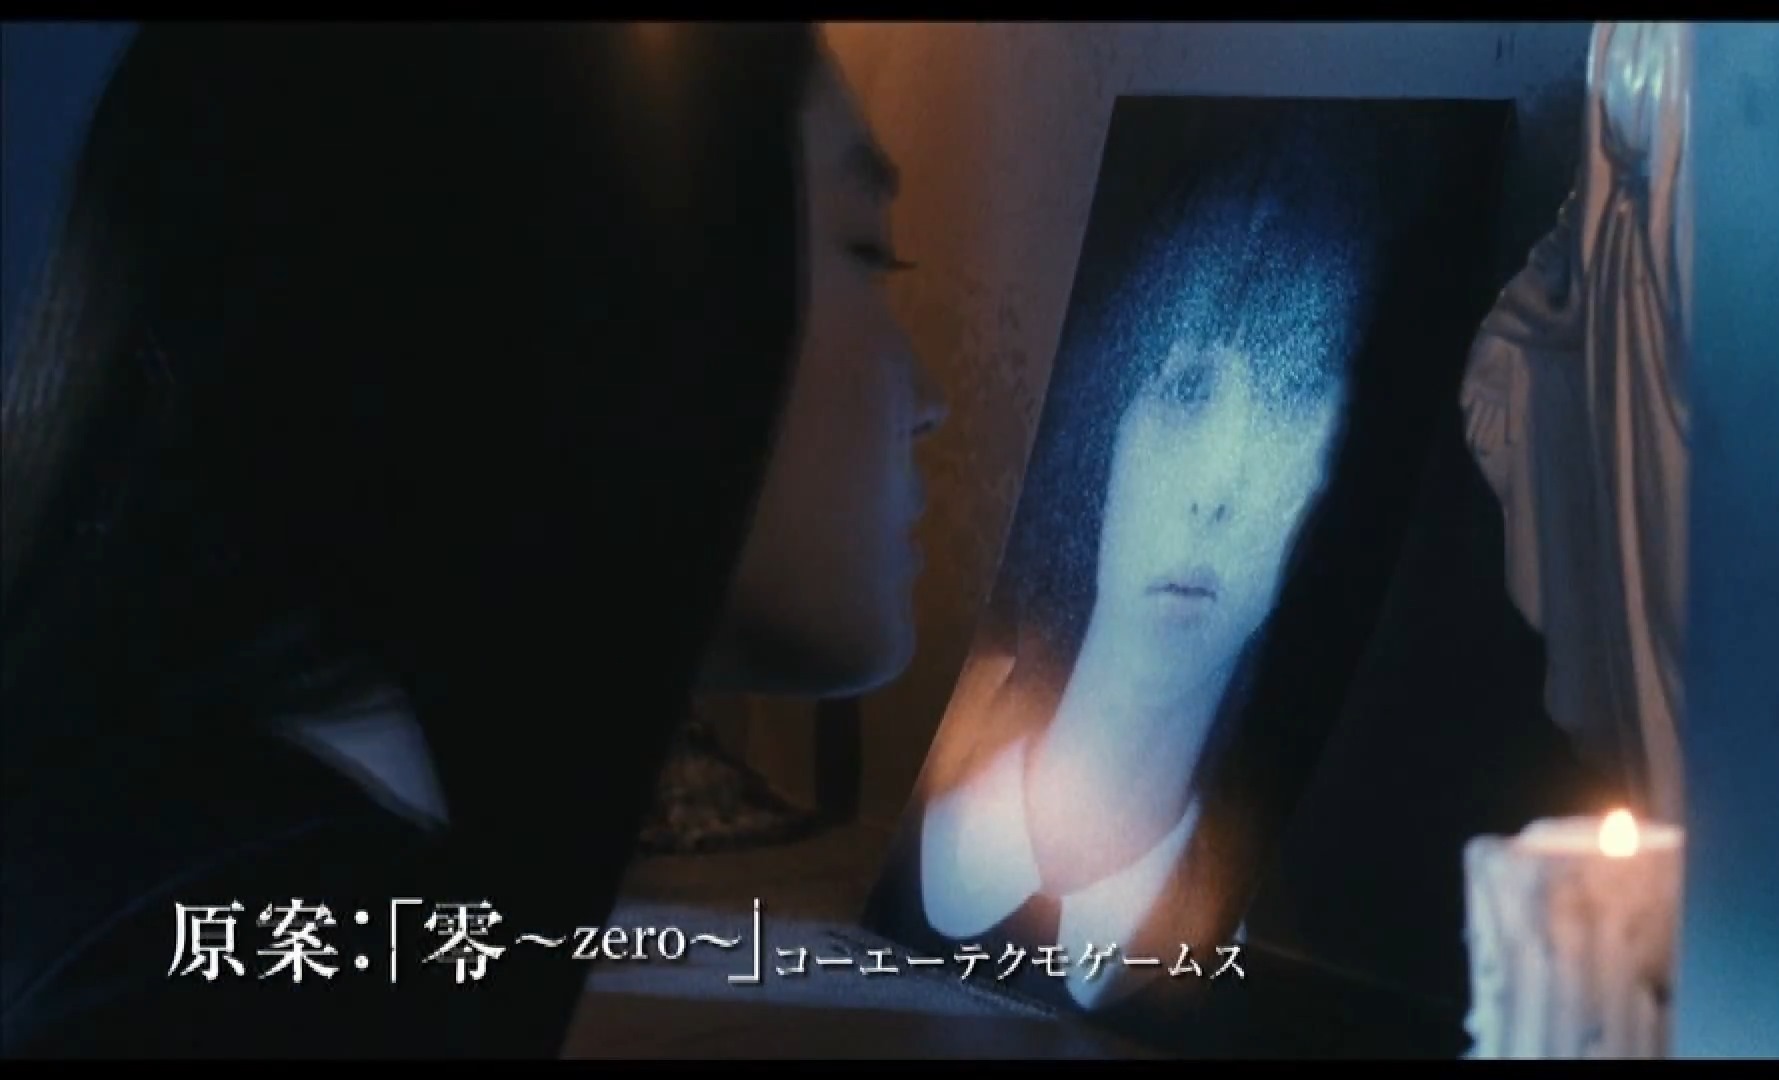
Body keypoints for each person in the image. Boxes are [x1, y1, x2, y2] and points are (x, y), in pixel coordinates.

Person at [0, 22, 943, 1058]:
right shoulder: (268, 996)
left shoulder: (162, 833)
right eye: (867, 251)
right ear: (612, 282)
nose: (931, 399)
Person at [865, 143, 1379, 1014]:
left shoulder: (1247, 944)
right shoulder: (931, 832)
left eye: (1289, 405)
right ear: (1109, 421)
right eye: (1188, 391)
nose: (1216, 493)